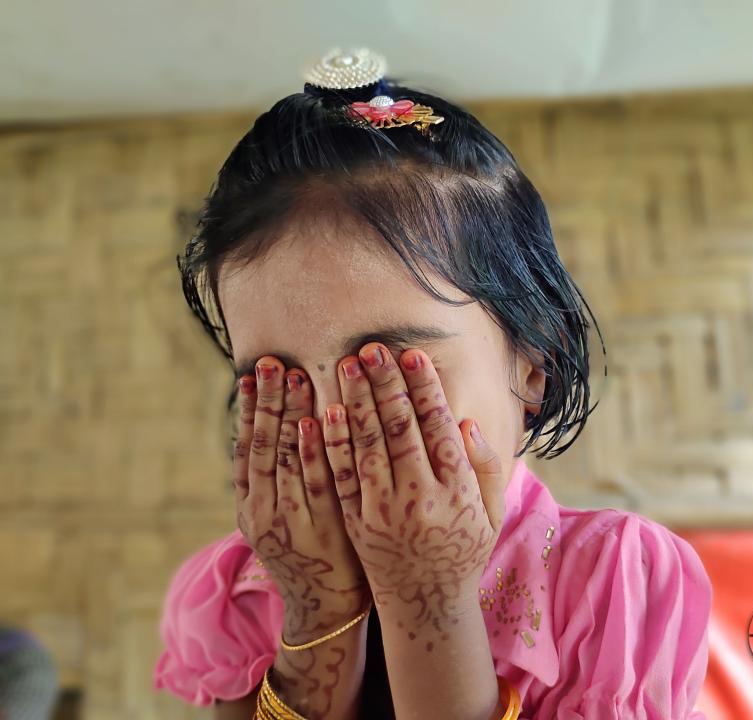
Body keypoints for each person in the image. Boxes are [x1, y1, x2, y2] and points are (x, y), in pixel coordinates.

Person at [153, 47, 713, 720]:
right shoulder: (238, 592)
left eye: (386, 372)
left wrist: (429, 598)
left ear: (532, 368)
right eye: (285, 385)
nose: (337, 426)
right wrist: (313, 610)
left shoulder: (611, 586)